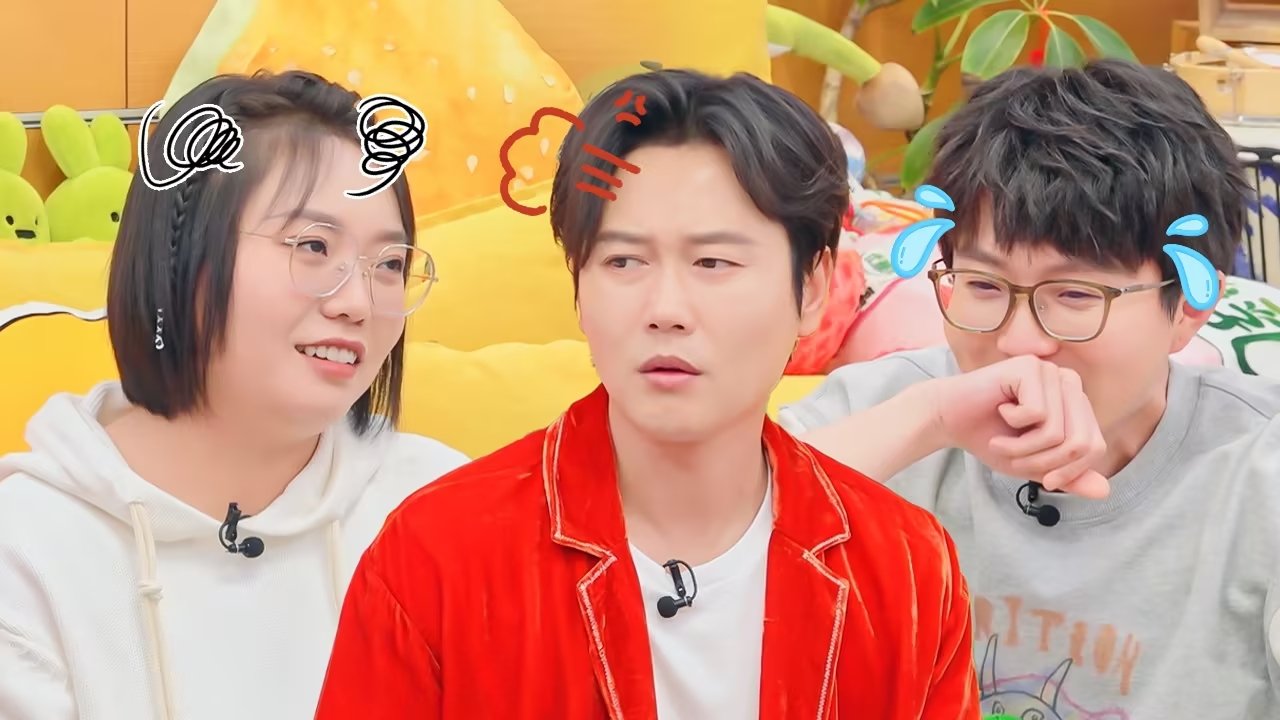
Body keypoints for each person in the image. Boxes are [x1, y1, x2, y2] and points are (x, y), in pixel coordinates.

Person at [313, 69, 980, 719]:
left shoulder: (908, 569)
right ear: (579, 288)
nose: (666, 310)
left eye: (713, 262)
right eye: (623, 261)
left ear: (812, 288)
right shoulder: (436, 555)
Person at [779, 60, 1280, 718]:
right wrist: (930, 420)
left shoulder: (1258, 477)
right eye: (984, 285)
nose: (1018, 343)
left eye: (1074, 295)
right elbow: (686, 552)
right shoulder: (888, 410)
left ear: (1189, 304)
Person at [0, 70, 468, 720]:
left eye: (389, 264)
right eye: (313, 246)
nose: (359, 303)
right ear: (181, 259)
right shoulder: (27, 549)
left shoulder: (445, 507)